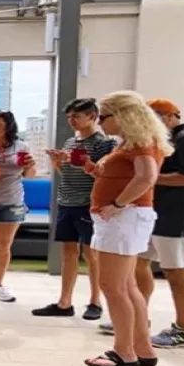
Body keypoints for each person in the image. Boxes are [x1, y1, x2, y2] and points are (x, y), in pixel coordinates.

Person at [100, 99, 184, 348]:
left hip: (177, 217)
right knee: (137, 266)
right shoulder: (156, 141)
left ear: (172, 116)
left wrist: (149, 180)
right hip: (153, 215)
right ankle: (139, 317)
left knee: (177, 273)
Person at [81, 91, 171, 366]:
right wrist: (93, 170)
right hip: (126, 218)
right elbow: (122, 175)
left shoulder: (141, 144)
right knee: (128, 286)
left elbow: (146, 177)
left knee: (112, 286)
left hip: (124, 219)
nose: (100, 123)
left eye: (104, 117)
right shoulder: (131, 144)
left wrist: (118, 204)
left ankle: (123, 352)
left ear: (123, 116)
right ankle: (142, 349)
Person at [32, 98, 115, 321]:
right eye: (69, 117)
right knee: (68, 252)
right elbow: (66, 174)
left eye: (76, 116)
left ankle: (95, 301)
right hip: (66, 201)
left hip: (88, 203)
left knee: (91, 254)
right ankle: (64, 302)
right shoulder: (70, 142)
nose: (72, 121)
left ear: (92, 117)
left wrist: (84, 164)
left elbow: (105, 175)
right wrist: (58, 162)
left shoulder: (104, 144)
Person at [0, 110, 37, 303]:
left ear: (8, 127)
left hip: (11, 201)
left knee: (3, 245)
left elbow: (30, 176)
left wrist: (30, 164)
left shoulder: (21, 146)